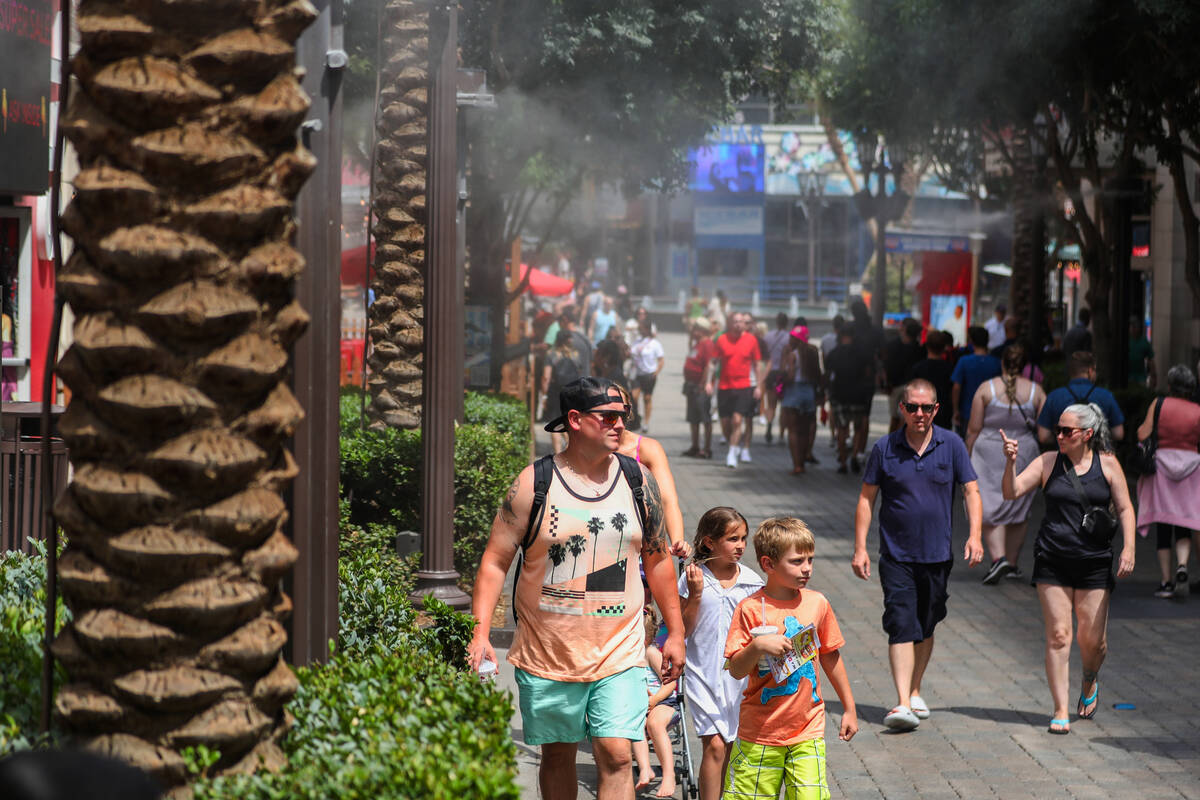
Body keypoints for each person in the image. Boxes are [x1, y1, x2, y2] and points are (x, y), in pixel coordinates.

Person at [468, 377, 685, 800]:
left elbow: (658, 560)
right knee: (558, 756)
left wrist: (675, 632)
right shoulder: (534, 484)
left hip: (620, 649)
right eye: (608, 416)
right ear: (574, 420)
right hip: (549, 652)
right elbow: (495, 563)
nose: (619, 425)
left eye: (623, 416)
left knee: (618, 755)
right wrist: (479, 632)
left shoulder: (638, 481)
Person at [852, 379, 984, 731]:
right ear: (902, 409)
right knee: (901, 623)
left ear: (936, 409)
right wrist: (861, 547)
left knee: (927, 623)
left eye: (926, 408)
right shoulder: (885, 448)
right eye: (913, 408)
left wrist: (975, 536)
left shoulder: (952, 445)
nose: (920, 414)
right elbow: (867, 498)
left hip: (937, 554)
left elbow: (971, 491)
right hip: (896, 554)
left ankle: (914, 689)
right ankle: (901, 702)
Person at [1001, 403, 1136, 734]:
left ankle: (1089, 678)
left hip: (1094, 564)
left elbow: (1125, 507)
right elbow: (1012, 491)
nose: (1058, 435)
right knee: (1060, 635)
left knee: (1094, 642)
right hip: (1053, 559)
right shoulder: (1048, 462)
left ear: (1087, 434)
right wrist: (1010, 462)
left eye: (1067, 431)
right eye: (1057, 430)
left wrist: (1130, 548)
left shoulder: (1107, 464)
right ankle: (1060, 709)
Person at [723, 517, 858, 799]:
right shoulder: (749, 609)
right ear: (768, 564)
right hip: (759, 733)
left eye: (810, 559)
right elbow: (735, 669)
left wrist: (849, 708)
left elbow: (830, 655)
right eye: (796, 561)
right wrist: (758, 646)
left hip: (807, 729)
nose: (806, 568)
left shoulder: (817, 603)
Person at [678, 507, 764, 800]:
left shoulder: (753, 583)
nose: (740, 545)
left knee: (732, 745)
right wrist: (697, 594)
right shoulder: (693, 577)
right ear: (709, 542)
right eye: (732, 539)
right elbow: (682, 630)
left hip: (740, 677)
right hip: (702, 673)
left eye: (743, 538)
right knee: (714, 745)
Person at [965, 343, 1046, 584]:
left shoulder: (986, 388)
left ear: (1002, 362)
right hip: (1023, 452)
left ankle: (998, 559)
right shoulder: (1037, 391)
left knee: (987, 505)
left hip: (988, 450)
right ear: (1025, 366)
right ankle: (1010, 563)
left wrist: (966, 455)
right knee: (1019, 508)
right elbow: (1043, 433)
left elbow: (973, 428)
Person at [1134, 365, 1200, 598]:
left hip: (1161, 468)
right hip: (1192, 470)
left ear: (1170, 385)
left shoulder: (1159, 404)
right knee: (1184, 521)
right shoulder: (1197, 411)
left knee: (1164, 524)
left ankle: (1166, 582)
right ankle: (1182, 564)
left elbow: (1143, 434)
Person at [614, 383, 689, 559]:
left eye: (623, 411)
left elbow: (667, 500)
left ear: (629, 412)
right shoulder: (589, 449)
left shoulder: (647, 449)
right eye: (609, 413)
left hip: (642, 543)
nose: (617, 419)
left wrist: (678, 541)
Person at [633, 607, 680, 798]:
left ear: (646, 637)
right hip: (640, 704)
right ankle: (645, 768)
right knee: (635, 725)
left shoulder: (650, 652)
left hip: (664, 701)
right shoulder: (629, 656)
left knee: (654, 723)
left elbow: (671, 682)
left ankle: (669, 775)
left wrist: (655, 699)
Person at [709, 312, 765, 469]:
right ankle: (733, 444)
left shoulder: (751, 340)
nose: (738, 324)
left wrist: (759, 386)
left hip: (744, 386)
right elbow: (713, 362)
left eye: (741, 322)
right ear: (730, 323)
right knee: (725, 423)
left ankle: (732, 453)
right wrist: (708, 382)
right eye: (735, 322)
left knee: (738, 420)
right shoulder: (722, 339)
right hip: (724, 387)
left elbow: (757, 364)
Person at [1037, 352, 1125, 446]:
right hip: (1098, 456)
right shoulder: (1106, 396)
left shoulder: (1054, 397)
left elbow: (1043, 436)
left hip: (1064, 457)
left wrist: (1063, 438)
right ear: (1090, 371)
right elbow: (1118, 433)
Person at [780, 325, 823, 475]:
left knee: (793, 430)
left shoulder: (793, 355)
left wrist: (783, 369)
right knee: (805, 430)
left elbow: (790, 376)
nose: (790, 339)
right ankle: (804, 461)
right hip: (809, 392)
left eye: (792, 337)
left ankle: (797, 465)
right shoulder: (813, 352)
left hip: (794, 392)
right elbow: (819, 374)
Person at [824, 325, 867, 474]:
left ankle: (842, 462)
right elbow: (867, 373)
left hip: (839, 395)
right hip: (857, 396)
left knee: (841, 429)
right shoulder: (861, 353)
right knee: (857, 428)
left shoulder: (834, 354)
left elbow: (828, 374)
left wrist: (827, 392)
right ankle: (854, 455)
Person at [848, 299, 884, 467]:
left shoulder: (849, 329)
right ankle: (859, 450)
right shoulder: (875, 331)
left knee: (849, 413)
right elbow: (883, 353)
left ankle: (847, 442)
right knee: (864, 415)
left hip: (849, 377)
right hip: (868, 376)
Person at [950, 326, 1001, 437]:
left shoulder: (964, 361)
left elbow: (956, 387)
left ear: (971, 341)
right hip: (991, 412)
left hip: (967, 412)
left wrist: (955, 410)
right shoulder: (997, 363)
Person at [542, 330, 584, 453]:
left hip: (556, 391)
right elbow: (580, 373)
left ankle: (558, 453)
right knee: (570, 419)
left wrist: (544, 396)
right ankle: (571, 448)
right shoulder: (576, 355)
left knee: (555, 420)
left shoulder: (551, 355)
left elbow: (546, 377)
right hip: (573, 391)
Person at [681, 317, 717, 459]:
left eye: (695, 328)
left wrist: (704, 384)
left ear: (701, 330)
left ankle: (706, 448)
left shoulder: (707, 344)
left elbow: (709, 365)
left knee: (704, 418)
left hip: (700, 387)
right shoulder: (697, 344)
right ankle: (695, 446)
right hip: (691, 385)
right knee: (693, 418)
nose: (692, 331)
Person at [883, 318, 925, 434]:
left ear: (904, 329)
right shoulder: (920, 349)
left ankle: (892, 443)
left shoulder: (892, 345)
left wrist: (887, 383)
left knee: (895, 417)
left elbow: (887, 366)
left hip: (895, 386)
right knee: (906, 417)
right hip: (912, 386)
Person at [906, 330, 954, 430]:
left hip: (921, 412)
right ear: (944, 348)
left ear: (927, 346)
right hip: (943, 412)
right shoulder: (950, 369)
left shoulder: (918, 368)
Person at [630, 319, 665, 434]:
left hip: (649, 374)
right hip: (637, 374)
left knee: (647, 398)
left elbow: (661, 360)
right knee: (634, 397)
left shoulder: (654, 344)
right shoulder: (636, 341)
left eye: (642, 328)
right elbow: (630, 353)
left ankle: (646, 422)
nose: (640, 330)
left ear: (648, 329)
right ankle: (636, 417)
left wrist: (656, 371)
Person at [762, 312, 791, 445]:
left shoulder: (768, 336)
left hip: (770, 373)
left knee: (771, 404)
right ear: (786, 322)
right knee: (783, 405)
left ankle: (769, 425)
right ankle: (781, 434)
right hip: (782, 375)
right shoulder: (789, 337)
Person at [820, 315, 844, 449]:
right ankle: (842, 433)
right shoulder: (847, 340)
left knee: (832, 409)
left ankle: (833, 434)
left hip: (830, 378)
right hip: (843, 379)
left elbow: (823, 361)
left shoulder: (825, 339)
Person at [1128, 318, 1157, 389]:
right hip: (1127, 376)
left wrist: (1153, 377)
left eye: (1135, 326)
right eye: (1131, 326)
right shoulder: (1125, 340)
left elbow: (1151, 361)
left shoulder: (1144, 342)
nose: (1133, 329)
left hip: (1140, 377)